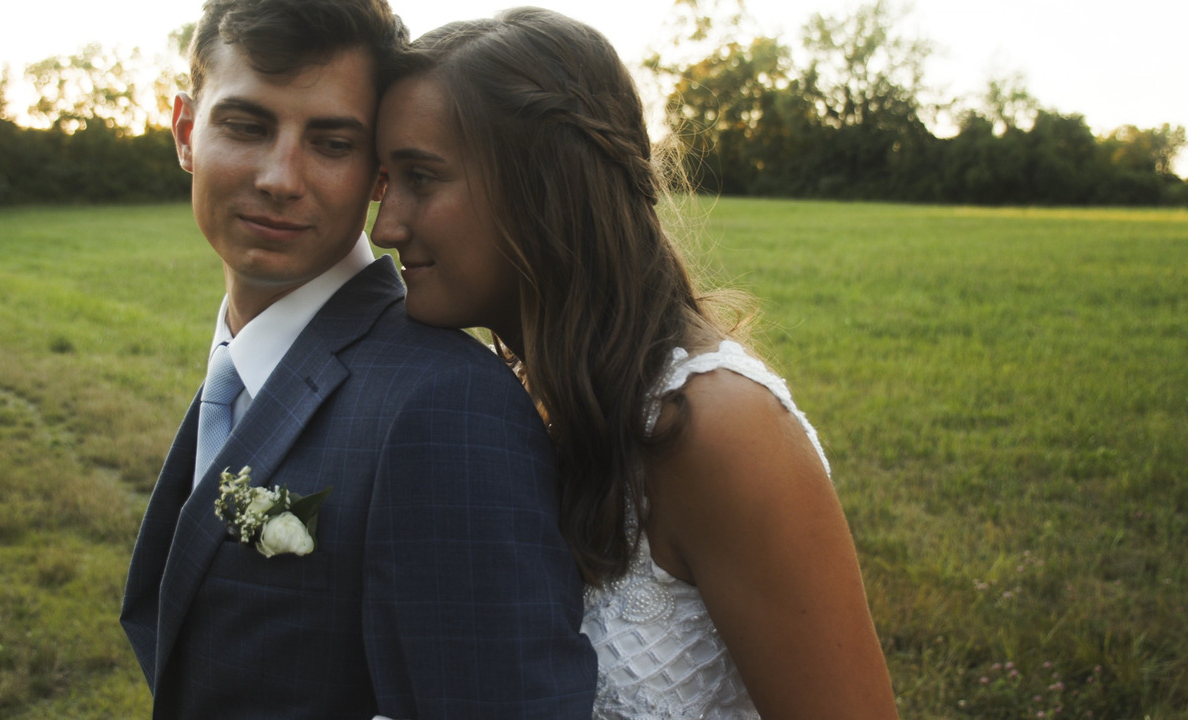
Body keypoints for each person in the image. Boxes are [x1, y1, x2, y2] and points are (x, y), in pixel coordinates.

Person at [370, 7, 899, 719]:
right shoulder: (514, 395)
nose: (386, 226)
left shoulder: (721, 428)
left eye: (421, 179)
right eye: (384, 180)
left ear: (544, 190)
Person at [119, 1, 597, 717]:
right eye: (247, 126)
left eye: (332, 142)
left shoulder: (444, 406)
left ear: (379, 174)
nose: (281, 177)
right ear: (186, 132)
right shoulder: (243, 367)